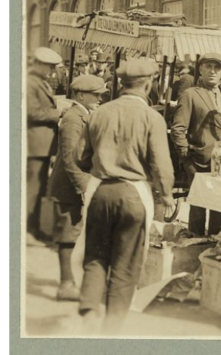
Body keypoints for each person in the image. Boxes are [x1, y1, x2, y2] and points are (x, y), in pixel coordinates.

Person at [77, 58, 177, 334]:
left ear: (122, 83)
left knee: (96, 256)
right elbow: (161, 164)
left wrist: (101, 165)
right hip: (134, 195)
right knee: (125, 262)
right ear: (148, 83)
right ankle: (111, 329)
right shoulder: (152, 117)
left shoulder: (99, 113)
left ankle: (88, 309)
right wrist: (167, 194)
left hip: (101, 192)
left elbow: (79, 157)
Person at [46, 74, 107, 301]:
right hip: (68, 186)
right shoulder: (74, 118)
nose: (100, 98)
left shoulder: (84, 114)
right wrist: (83, 188)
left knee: (76, 233)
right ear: (81, 95)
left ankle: (73, 281)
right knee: (67, 235)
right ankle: (66, 284)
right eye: (96, 95)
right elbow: (71, 159)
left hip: (75, 184)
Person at [171, 53, 221, 236]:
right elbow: (178, 128)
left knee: (219, 208)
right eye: (208, 67)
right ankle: (193, 247)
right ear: (200, 69)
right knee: (198, 210)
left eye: (217, 68)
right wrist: (186, 156)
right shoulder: (190, 94)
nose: (213, 72)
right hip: (198, 162)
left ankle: (213, 248)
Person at [27, 47, 64, 245]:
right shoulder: (30, 82)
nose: (52, 71)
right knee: (33, 188)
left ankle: (34, 229)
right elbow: (31, 112)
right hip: (34, 144)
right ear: (39, 64)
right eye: (49, 67)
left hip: (40, 145)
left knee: (39, 187)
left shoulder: (39, 82)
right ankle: (26, 230)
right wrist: (58, 114)